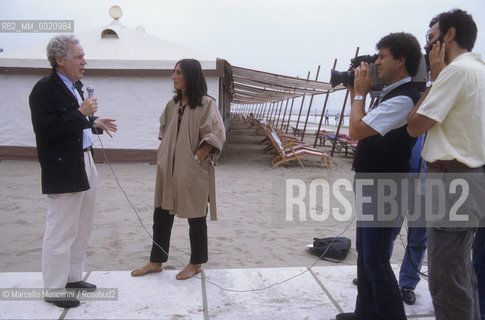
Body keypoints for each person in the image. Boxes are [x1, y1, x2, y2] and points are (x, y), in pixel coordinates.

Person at [336, 32, 422, 320]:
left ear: (401, 60)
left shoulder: (405, 98)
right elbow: (361, 123)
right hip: (374, 183)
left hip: (386, 187)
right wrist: (354, 90)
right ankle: (366, 313)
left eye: (382, 57)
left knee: (376, 262)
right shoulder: (390, 93)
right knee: (365, 252)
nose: (377, 63)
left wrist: (360, 93)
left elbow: (356, 131)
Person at [29, 34, 117, 309]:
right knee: (61, 229)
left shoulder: (75, 85)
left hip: (85, 161)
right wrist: (81, 112)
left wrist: (93, 122)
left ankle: (72, 277)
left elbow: (72, 123)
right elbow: (47, 130)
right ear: (60, 60)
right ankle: (54, 288)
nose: (84, 61)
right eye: (78, 57)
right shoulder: (44, 89)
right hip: (63, 165)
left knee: (82, 225)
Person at [407, 9, 485, 320]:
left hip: (451, 180)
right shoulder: (479, 69)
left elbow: (415, 125)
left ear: (448, 35)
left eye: (430, 38)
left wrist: (434, 78)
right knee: (461, 271)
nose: (426, 46)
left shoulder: (454, 73)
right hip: (469, 177)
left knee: (445, 279)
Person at [131, 59, 226, 280]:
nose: (173, 77)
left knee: (196, 216)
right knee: (161, 215)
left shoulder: (206, 104)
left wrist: (195, 158)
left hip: (192, 171)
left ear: (190, 76)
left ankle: (196, 263)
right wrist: (166, 156)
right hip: (167, 171)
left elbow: (215, 134)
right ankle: (156, 261)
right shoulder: (172, 105)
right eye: (174, 72)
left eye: (178, 73)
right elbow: (164, 131)